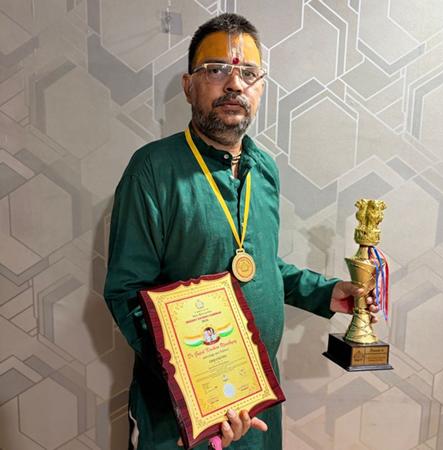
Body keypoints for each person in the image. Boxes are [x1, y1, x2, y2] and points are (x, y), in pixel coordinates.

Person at [103, 13, 378, 450]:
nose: (234, 84)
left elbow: (258, 266)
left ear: (261, 88)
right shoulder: (151, 170)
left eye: (249, 73)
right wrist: (198, 389)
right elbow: (126, 293)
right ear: (188, 85)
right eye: (216, 70)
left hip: (259, 409)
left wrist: (326, 293)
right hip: (179, 418)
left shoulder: (264, 169)